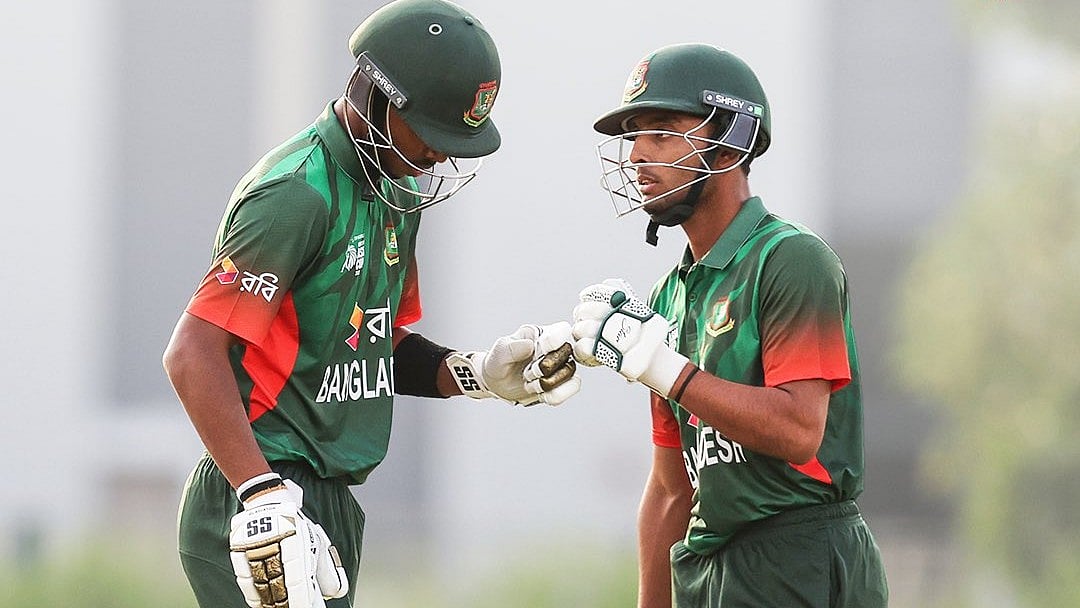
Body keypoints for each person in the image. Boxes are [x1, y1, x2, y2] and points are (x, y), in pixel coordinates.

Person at [162, 1, 579, 606]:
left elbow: (374, 343)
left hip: (328, 500)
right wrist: (261, 496)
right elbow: (192, 353)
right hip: (257, 492)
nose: (442, 155)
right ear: (377, 97)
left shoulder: (396, 187)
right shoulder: (296, 193)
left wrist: (476, 374)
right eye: (433, 132)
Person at [571, 43, 889, 607]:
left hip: (799, 557)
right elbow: (672, 488)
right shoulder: (667, 296)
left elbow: (797, 430)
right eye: (633, 136)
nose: (638, 155)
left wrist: (666, 370)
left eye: (663, 131)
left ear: (730, 143)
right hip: (708, 566)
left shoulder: (791, 259)